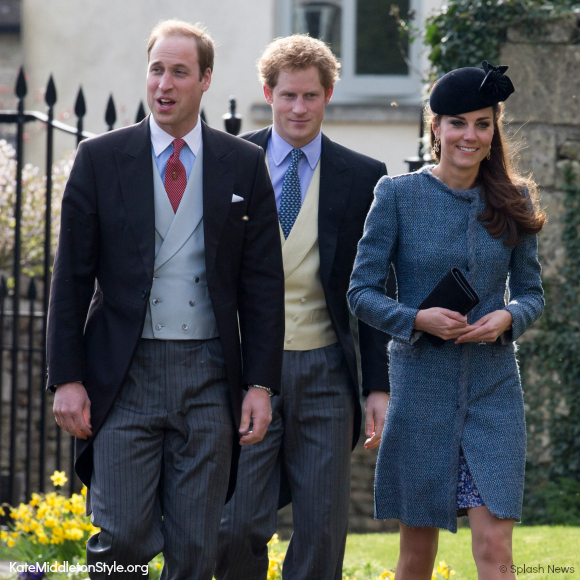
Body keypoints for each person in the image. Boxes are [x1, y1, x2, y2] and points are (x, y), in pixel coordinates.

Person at [47, 19, 285, 580]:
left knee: (196, 547)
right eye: (157, 69)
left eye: (180, 72)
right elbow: (71, 279)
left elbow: (263, 285)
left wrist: (260, 384)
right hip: (124, 375)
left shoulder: (243, 163)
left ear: (205, 80)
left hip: (210, 374)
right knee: (122, 536)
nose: (164, 84)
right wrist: (67, 377)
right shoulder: (100, 158)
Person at [348, 61, 545, 580]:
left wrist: (507, 316)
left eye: (483, 123)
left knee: (496, 544)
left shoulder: (513, 198)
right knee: (416, 552)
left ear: (493, 130)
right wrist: (417, 318)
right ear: (435, 127)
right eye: (457, 122)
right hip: (421, 390)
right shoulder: (397, 195)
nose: (470, 135)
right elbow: (360, 293)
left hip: (494, 389)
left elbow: (531, 294)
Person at [215, 35, 392, 580]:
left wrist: (377, 386)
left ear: (329, 94)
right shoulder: (226, 162)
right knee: (237, 523)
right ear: (267, 93)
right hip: (248, 370)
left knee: (322, 528)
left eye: (310, 96)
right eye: (287, 95)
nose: (298, 108)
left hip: (326, 372)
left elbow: (373, 286)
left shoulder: (364, 175)